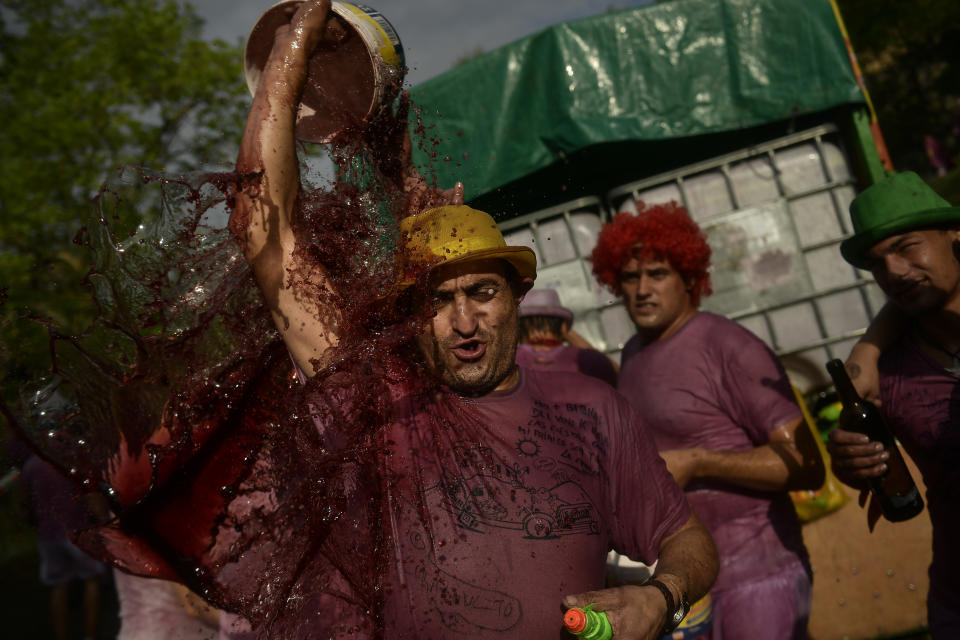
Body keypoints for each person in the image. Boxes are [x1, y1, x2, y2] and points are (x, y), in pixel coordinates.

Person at [228, 1, 719, 637]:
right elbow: (264, 230)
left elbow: (688, 539)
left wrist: (662, 596)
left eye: (482, 292)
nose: (463, 320)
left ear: (517, 296)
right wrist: (293, 48)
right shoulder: (375, 404)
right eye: (435, 300)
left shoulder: (594, 410)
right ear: (410, 317)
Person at [590, 202, 825, 640]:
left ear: (690, 278)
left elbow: (807, 464)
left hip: (760, 574)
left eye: (657, 273)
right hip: (686, 586)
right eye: (629, 276)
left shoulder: (726, 343)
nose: (641, 289)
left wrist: (698, 462)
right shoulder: (634, 355)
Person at [825, 171, 960, 638]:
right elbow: (866, 461)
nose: (895, 273)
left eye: (907, 246)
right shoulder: (887, 374)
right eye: (878, 263)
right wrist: (849, 460)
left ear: (953, 234)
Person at [20, 453, 107, 640]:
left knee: (59, 585)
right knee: (92, 581)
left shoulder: (31, 465)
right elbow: (91, 495)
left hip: (48, 535)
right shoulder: (73, 458)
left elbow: (26, 505)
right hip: (80, 530)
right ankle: (91, 636)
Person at [516, 287, 618, 386]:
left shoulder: (513, 361)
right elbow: (617, 375)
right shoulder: (587, 359)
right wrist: (567, 333)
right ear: (563, 326)